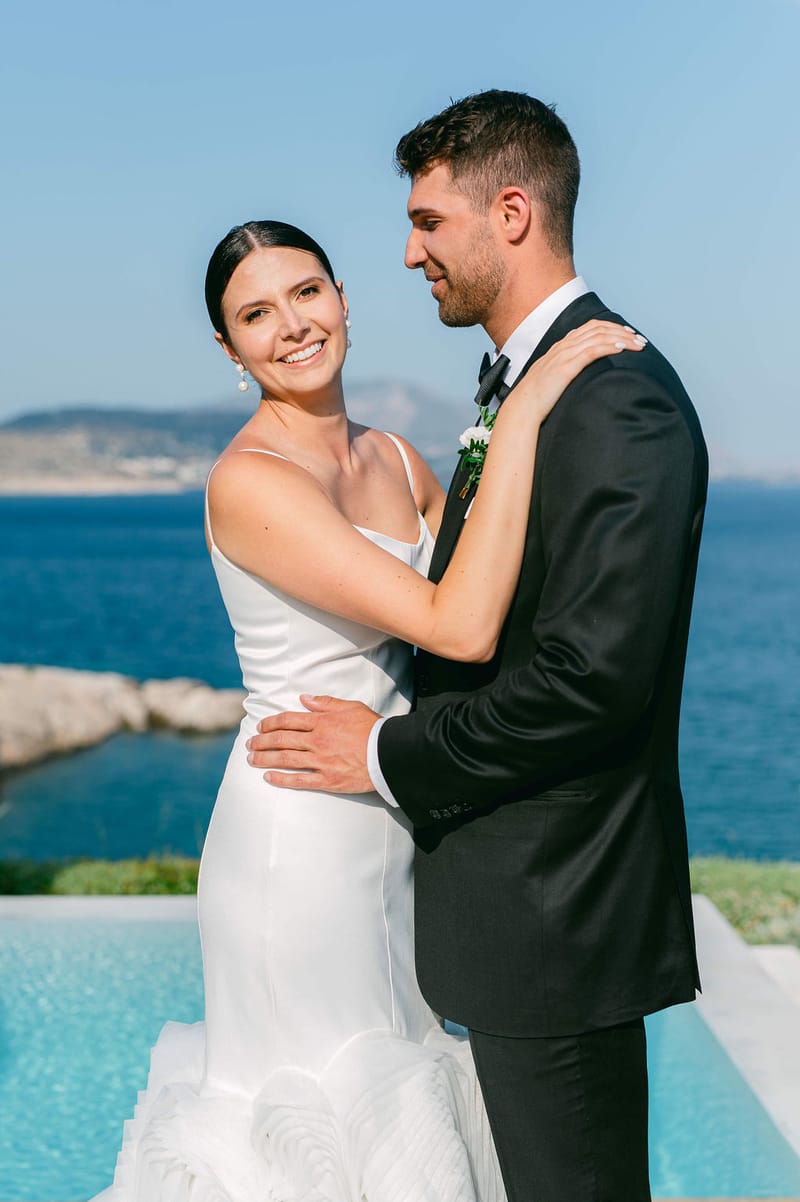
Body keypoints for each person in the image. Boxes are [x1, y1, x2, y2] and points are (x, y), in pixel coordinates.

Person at [92, 217, 642, 1201]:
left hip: (386, 813)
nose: (292, 325)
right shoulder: (250, 480)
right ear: (229, 350)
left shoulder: (390, 454)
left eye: (306, 293)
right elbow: (457, 622)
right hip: (297, 832)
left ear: (343, 298)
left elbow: (502, 593)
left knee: (400, 1104)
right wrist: (522, 408)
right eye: (255, 314)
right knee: (321, 1120)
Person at [247, 90, 709, 1202]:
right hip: (497, 910)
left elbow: (587, 684)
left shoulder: (615, 404)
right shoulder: (524, 387)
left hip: (557, 918)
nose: (408, 254)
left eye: (427, 222)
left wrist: (380, 752)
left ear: (510, 212)